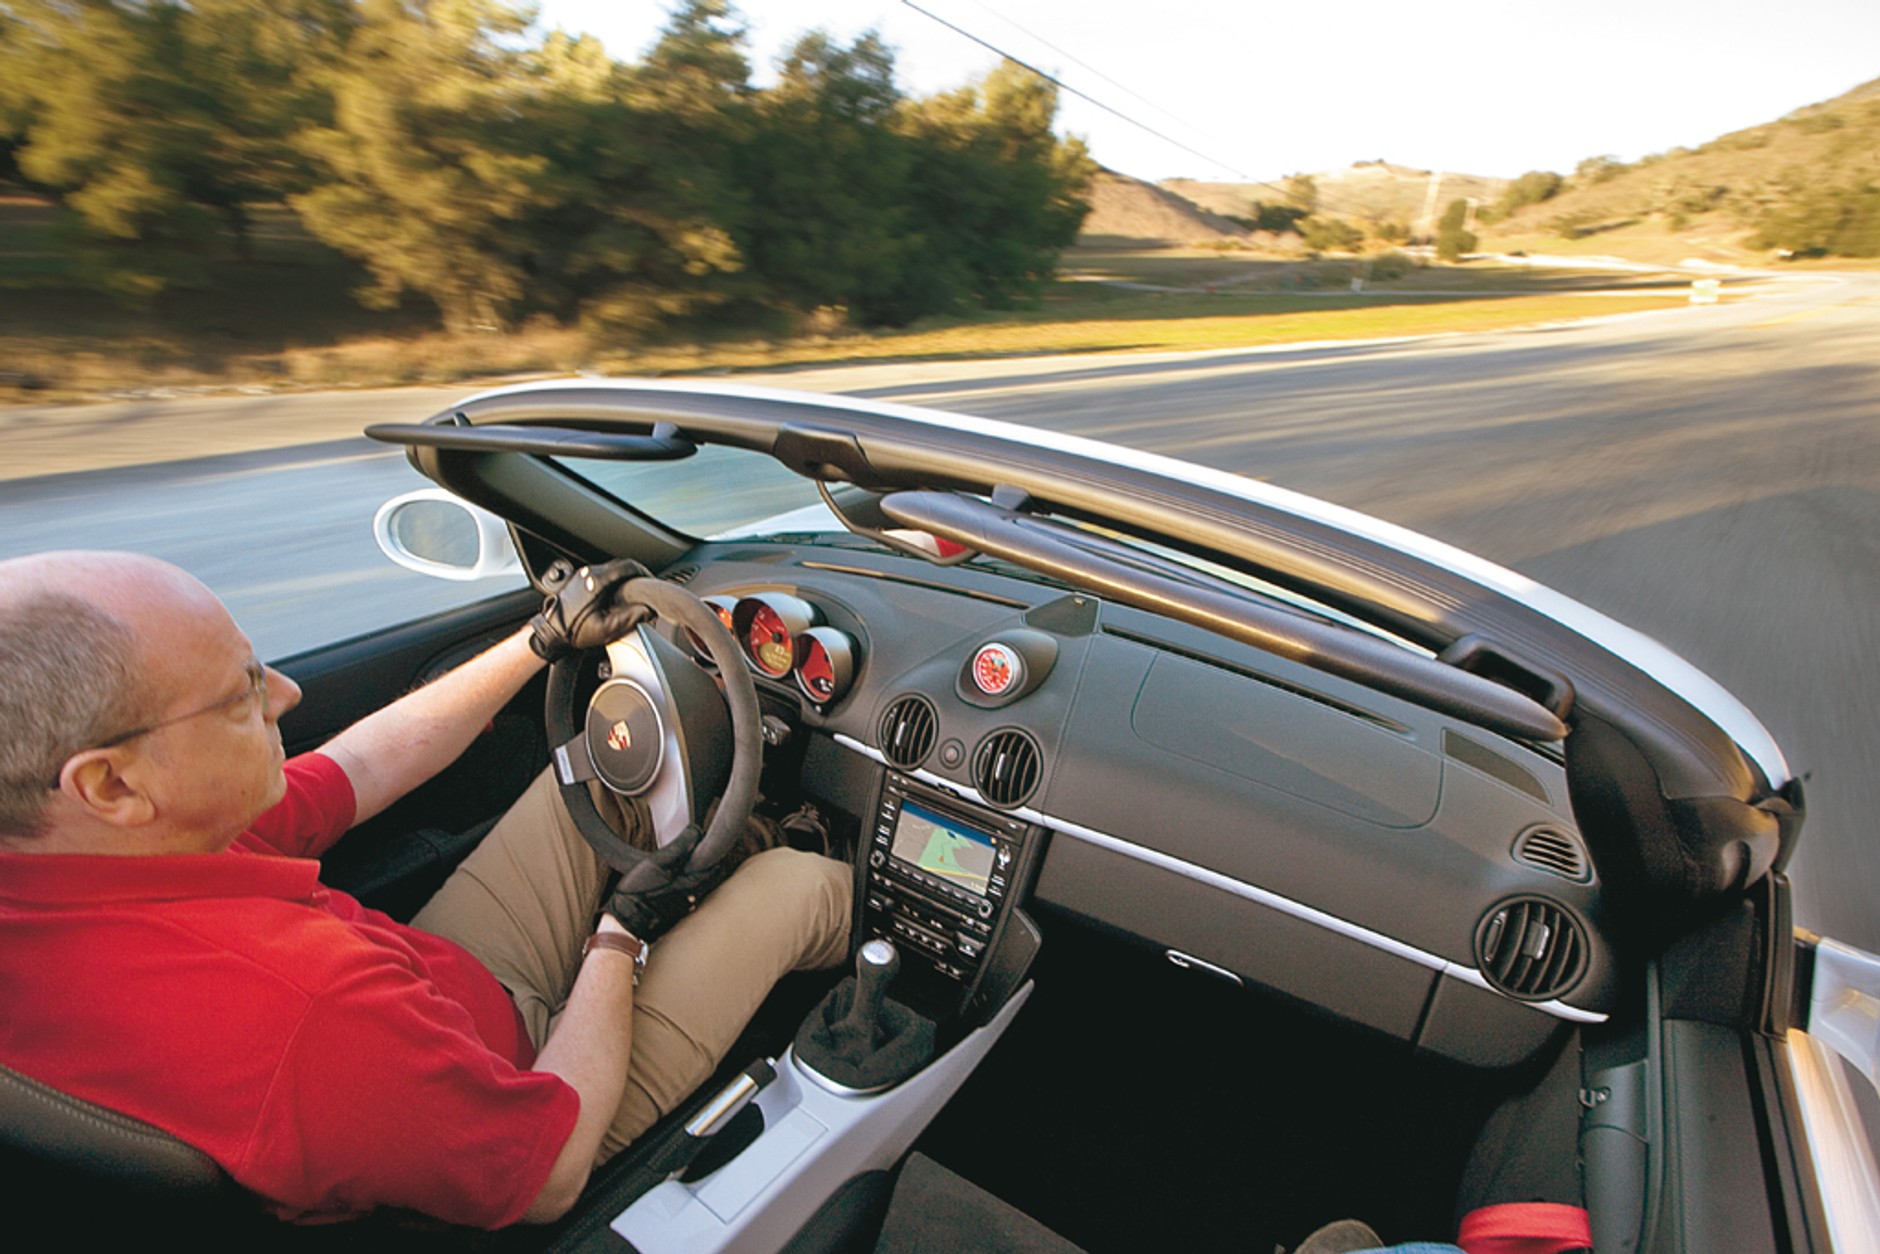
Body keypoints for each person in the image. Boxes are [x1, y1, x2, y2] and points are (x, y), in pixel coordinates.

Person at [0, 550, 852, 1228]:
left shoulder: (112, 843)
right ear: (107, 785)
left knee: (604, 778)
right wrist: (622, 930)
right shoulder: (306, 1018)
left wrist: (543, 639)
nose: (288, 697)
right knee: (801, 885)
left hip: (438, 998)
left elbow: (364, 763)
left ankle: (743, 844)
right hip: (534, 1091)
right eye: (243, 695)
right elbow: (551, 1178)